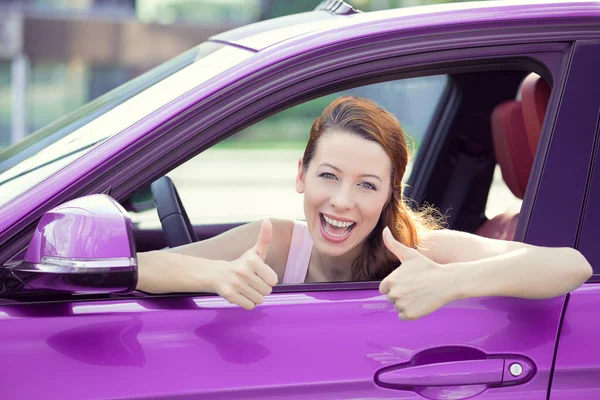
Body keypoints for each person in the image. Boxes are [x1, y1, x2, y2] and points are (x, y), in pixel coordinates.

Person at [136, 96, 592, 320]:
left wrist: (451, 282)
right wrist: (214, 275)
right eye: (328, 176)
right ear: (301, 175)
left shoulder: (418, 250)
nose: (342, 202)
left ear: (391, 194)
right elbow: (139, 267)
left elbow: (570, 266)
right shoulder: (275, 242)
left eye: (367, 185)